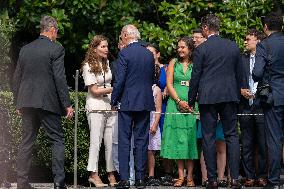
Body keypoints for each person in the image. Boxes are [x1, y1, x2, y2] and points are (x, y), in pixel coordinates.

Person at [12, 15, 73, 189]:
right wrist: (67, 104)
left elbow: (17, 78)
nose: (57, 35)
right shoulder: (56, 49)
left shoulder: (25, 49)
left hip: (27, 102)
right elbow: (59, 78)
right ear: (52, 29)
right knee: (57, 140)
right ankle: (59, 184)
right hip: (47, 102)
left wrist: (18, 102)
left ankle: (22, 183)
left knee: (26, 141)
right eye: (57, 31)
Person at [188, 14, 243, 189]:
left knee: (209, 137)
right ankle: (234, 178)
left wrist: (190, 99)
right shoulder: (232, 46)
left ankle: (211, 180)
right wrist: (238, 96)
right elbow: (239, 74)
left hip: (208, 97)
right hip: (228, 95)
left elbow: (195, 76)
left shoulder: (202, 49)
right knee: (232, 136)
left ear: (205, 28)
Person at [111, 24, 155, 189]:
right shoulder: (148, 54)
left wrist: (114, 100)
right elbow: (151, 78)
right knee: (142, 141)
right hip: (144, 101)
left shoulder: (125, 53)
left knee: (124, 140)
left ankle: (124, 179)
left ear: (125, 35)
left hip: (127, 102)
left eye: (121, 36)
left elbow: (119, 80)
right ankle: (140, 179)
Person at [160, 36, 198, 187]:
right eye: (179, 47)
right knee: (177, 140)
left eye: (183, 47)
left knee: (190, 140)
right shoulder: (173, 62)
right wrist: (178, 101)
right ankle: (180, 176)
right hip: (174, 105)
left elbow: (199, 83)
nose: (180, 50)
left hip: (192, 106)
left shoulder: (196, 64)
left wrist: (189, 103)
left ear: (190, 49)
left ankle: (190, 177)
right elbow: (169, 84)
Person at [193, 28, 228, 187]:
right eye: (193, 38)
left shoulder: (214, 54)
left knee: (220, 143)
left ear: (205, 37)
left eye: (198, 37)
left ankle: (220, 177)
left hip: (220, 102)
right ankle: (207, 178)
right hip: (205, 104)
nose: (195, 40)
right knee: (206, 142)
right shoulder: (198, 55)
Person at [252, 13, 284, 189]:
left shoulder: (264, 45)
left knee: (274, 140)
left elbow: (256, 73)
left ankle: (273, 182)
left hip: (273, 97)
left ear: (265, 27)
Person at [81, 35, 117, 187]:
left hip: (109, 106)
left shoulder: (107, 63)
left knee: (110, 142)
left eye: (107, 46)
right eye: (102, 46)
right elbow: (94, 90)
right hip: (95, 107)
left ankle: (111, 173)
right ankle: (93, 174)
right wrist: (114, 89)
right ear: (94, 49)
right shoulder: (87, 65)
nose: (106, 49)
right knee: (96, 142)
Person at [239, 29, 267, 187]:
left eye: (248, 39)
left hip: (261, 105)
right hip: (244, 106)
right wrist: (240, 90)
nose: (245, 41)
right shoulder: (241, 59)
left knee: (263, 144)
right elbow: (235, 79)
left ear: (257, 40)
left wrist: (259, 94)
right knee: (247, 143)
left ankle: (262, 176)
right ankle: (249, 176)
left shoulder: (265, 58)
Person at [146, 44, 173, 186]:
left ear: (158, 54)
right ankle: (151, 174)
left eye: (152, 53)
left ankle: (168, 173)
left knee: (165, 140)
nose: (149, 55)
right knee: (150, 143)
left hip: (164, 108)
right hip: (150, 109)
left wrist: (168, 89)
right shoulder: (143, 68)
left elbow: (172, 83)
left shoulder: (166, 68)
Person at [111, 39, 136, 186]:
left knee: (128, 142)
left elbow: (120, 83)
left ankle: (129, 177)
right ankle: (124, 175)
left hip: (125, 104)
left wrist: (114, 100)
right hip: (123, 104)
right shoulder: (114, 64)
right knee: (118, 143)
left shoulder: (128, 58)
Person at [145, 64, 162, 186]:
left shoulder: (157, 90)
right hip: (141, 120)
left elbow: (158, 109)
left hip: (151, 121)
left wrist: (155, 124)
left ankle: (151, 174)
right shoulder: (142, 87)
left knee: (151, 151)